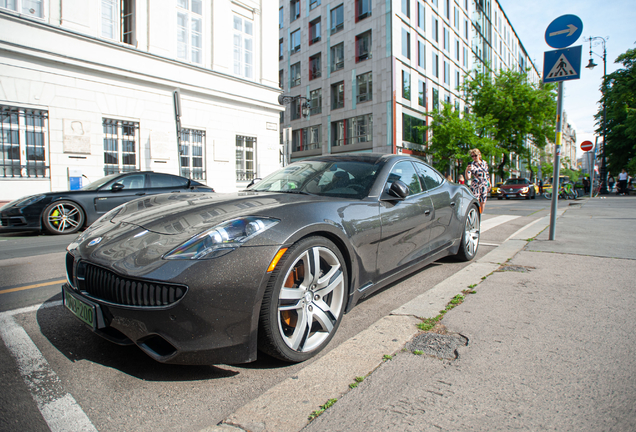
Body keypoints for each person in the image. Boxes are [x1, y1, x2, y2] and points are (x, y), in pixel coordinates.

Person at [465, 148, 490, 214]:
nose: (474, 157)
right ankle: (476, 215)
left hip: (484, 184)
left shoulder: (484, 163)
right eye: (472, 156)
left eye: (475, 155)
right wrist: (467, 170)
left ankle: (480, 216)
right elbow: (468, 178)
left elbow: (487, 174)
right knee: (476, 201)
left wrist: (489, 183)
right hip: (475, 186)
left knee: (483, 201)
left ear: (479, 155)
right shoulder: (472, 165)